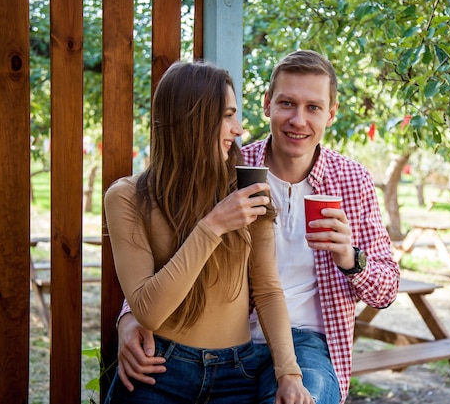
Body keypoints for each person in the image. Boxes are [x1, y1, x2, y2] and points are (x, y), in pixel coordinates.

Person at [115, 50, 400, 403]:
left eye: (313, 107)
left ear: (331, 113)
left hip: (304, 340)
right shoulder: (233, 167)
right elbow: (170, 242)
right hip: (235, 339)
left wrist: (350, 258)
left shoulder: (351, 180)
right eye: (286, 103)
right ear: (267, 104)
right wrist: (129, 316)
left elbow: (386, 291)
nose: (298, 120)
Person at [103, 61, 313, 404]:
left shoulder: (247, 187)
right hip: (158, 372)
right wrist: (213, 225)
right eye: (228, 116)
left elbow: (267, 289)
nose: (240, 129)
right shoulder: (128, 196)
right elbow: (147, 310)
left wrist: (289, 374)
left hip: (238, 375)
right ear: (193, 121)